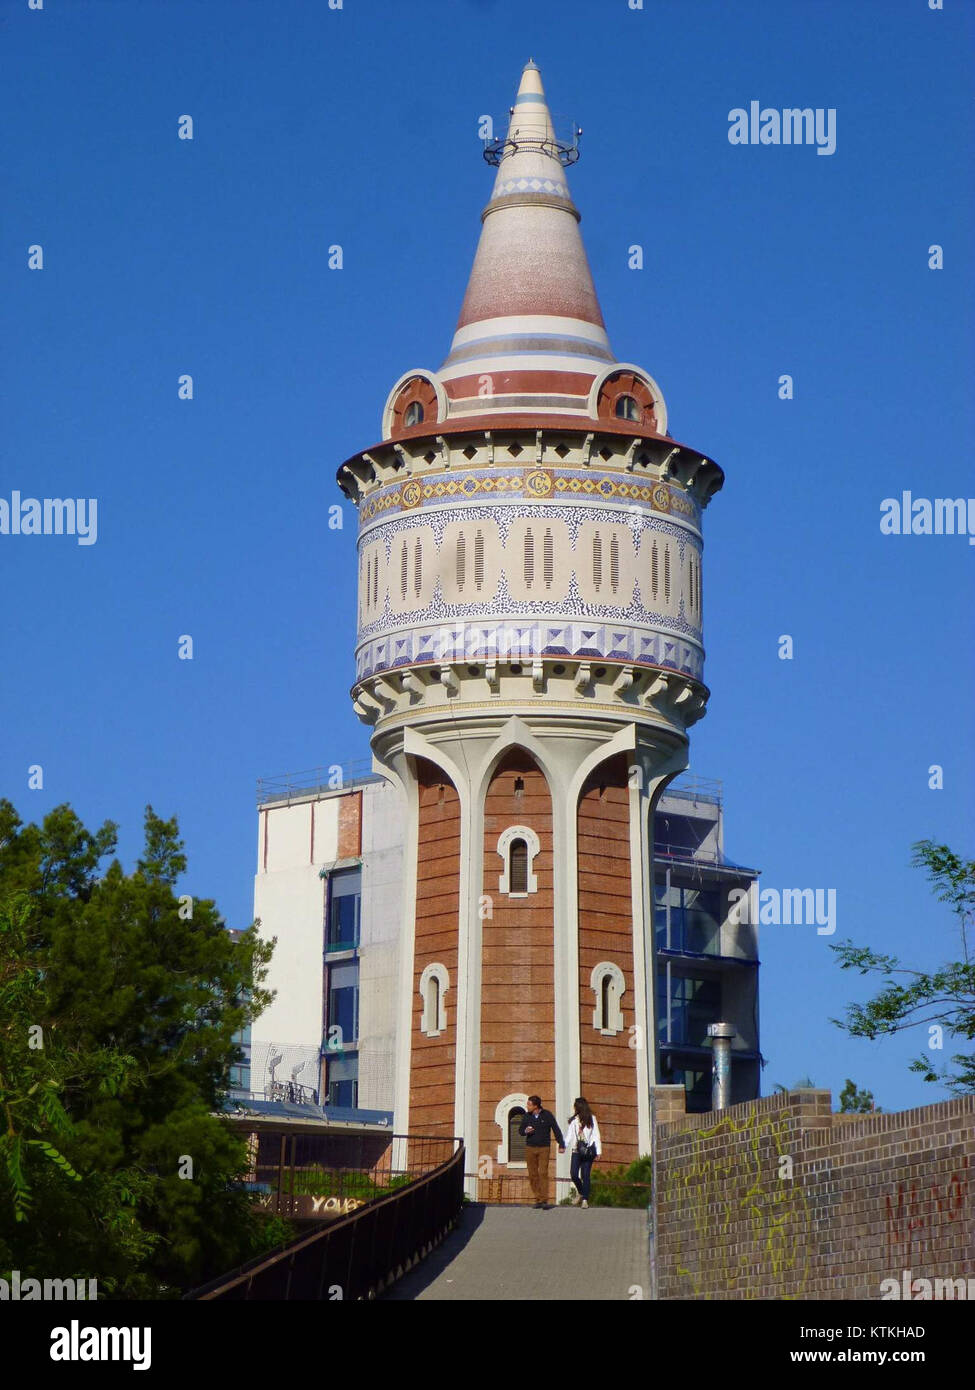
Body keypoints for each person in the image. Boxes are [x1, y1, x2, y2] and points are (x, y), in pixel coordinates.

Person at [519, 1095, 565, 1208]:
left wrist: (561, 1144)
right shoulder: (526, 1116)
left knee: (543, 1173)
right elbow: (520, 1130)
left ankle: (544, 1200)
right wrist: (526, 1131)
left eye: (529, 1104)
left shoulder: (547, 1115)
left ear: (536, 1106)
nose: (527, 1106)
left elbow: (556, 1129)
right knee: (532, 1174)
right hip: (530, 1147)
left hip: (544, 1147)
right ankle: (538, 1198)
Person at [564, 1097, 601, 1208]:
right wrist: (563, 1146)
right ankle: (581, 1192)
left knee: (585, 1175)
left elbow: (596, 1135)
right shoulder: (574, 1120)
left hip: (588, 1151)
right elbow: (569, 1135)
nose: (574, 1108)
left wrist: (598, 1151)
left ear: (580, 1107)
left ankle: (585, 1199)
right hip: (576, 1150)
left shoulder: (591, 1119)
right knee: (574, 1174)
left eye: (575, 1106)